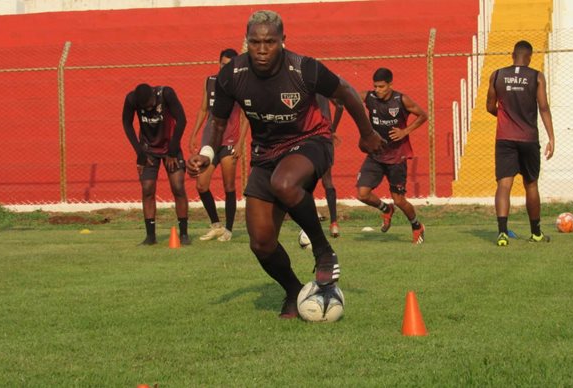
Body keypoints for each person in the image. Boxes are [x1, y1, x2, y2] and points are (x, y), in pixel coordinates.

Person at [186, 10, 384, 318]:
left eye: (270, 42)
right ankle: (294, 291)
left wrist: (368, 133)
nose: (262, 49)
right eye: (254, 42)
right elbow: (218, 121)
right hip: (265, 154)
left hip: (311, 141)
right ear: (246, 42)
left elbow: (346, 91)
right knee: (261, 243)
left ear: (283, 41)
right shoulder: (232, 75)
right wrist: (207, 153)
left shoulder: (304, 68)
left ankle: (322, 252)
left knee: (284, 183)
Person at [486, 40, 555, 246]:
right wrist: (552, 137)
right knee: (531, 184)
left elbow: (490, 106)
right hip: (528, 138)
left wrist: (506, 116)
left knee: (504, 185)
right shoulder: (536, 76)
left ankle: (502, 233)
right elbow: (543, 108)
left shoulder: (497, 75)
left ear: (512, 55)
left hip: (505, 137)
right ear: (530, 57)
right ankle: (536, 233)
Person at [356, 68, 428, 244]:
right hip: (376, 154)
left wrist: (405, 131)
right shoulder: (368, 97)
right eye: (375, 86)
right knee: (362, 194)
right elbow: (346, 99)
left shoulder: (401, 100)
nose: (378, 90)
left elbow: (423, 115)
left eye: (381, 86)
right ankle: (385, 209)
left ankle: (417, 225)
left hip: (397, 157)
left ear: (390, 85)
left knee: (399, 200)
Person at [188, 48, 249, 242]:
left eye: (229, 65)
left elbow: (246, 116)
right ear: (219, 63)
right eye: (223, 64)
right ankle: (216, 225)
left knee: (229, 185)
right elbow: (203, 109)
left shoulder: (240, 85)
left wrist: (241, 142)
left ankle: (229, 230)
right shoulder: (210, 81)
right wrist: (194, 134)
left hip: (230, 141)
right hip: (209, 143)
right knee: (201, 184)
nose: (225, 68)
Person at [122, 83, 190, 245]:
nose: (151, 108)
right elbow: (127, 124)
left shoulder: (166, 93)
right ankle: (150, 236)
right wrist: (140, 153)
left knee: (178, 187)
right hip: (148, 150)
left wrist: (173, 151)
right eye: (146, 107)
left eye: (152, 104)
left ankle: (184, 234)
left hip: (170, 148)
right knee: (147, 189)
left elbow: (182, 120)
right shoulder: (131, 99)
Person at [316, 94, 344, 237]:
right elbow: (340, 105)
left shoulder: (298, 81)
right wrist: (333, 129)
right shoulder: (322, 82)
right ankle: (334, 224)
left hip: (307, 135)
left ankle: (311, 220)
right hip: (325, 135)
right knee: (327, 180)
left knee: (303, 179)